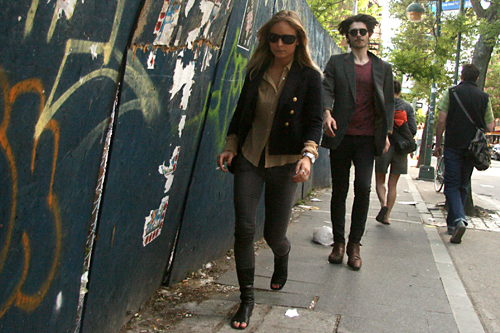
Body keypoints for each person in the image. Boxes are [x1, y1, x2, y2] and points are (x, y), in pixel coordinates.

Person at [217, 10, 323, 329]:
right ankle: (247, 300)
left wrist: (308, 155)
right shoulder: (256, 69)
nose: (279, 44)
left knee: (273, 234)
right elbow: (240, 112)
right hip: (250, 158)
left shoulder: (309, 76)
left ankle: (282, 255)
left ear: (298, 41)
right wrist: (230, 145)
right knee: (245, 229)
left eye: (287, 38)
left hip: (285, 162)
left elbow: (315, 121)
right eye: (273, 37)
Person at [322, 14, 394, 270]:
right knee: (339, 191)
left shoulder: (382, 67)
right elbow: (326, 89)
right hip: (340, 136)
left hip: (366, 139)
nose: (359, 35)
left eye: (363, 31)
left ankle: (355, 245)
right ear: (348, 37)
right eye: (354, 32)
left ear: (369, 34)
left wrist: (385, 134)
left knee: (363, 188)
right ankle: (338, 244)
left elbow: (387, 104)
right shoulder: (336, 63)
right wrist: (327, 113)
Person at [434, 64, 494, 244]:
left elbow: (441, 120)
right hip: (472, 148)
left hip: (453, 145)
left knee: (451, 184)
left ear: (461, 76)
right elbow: (490, 126)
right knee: (463, 184)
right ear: (476, 78)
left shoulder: (451, 93)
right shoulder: (484, 97)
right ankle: (452, 225)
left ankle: (459, 219)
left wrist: (438, 143)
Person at [374, 80, 417, 225]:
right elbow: (413, 130)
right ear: (399, 91)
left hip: (383, 146)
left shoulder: (382, 105)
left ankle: (383, 206)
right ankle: (387, 217)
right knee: (393, 184)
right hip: (401, 149)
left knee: (380, 181)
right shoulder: (407, 107)